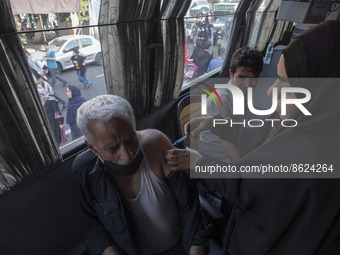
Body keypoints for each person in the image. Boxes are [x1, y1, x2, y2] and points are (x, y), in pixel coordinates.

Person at [165, 20, 340, 254]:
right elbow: (260, 130)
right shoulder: (317, 121)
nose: (270, 90)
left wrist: (198, 162)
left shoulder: (305, 148)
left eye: (285, 82)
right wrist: (214, 124)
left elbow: (244, 182)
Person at [72, 95, 209, 255]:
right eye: (112, 148)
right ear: (92, 147)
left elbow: (190, 207)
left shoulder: (156, 144)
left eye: (131, 139)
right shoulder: (85, 172)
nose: (127, 155)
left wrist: (196, 249)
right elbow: (93, 225)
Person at [200, 46, 263, 163]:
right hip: (216, 157)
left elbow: (247, 124)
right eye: (241, 77)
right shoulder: (221, 100)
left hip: (237, 143)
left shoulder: (244, 91)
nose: (248, 84)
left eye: (254, 78)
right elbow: (228, 146)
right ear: (231, 74)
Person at [36, 80, 65, 146]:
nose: (38, 90)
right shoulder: (41, 99)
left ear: (45, 88)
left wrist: (60, 123)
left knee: (55, 139)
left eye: (40, 88)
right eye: (37, 88)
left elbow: (57, 112)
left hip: (53, 123)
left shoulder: (51, 99)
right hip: (46, 122)